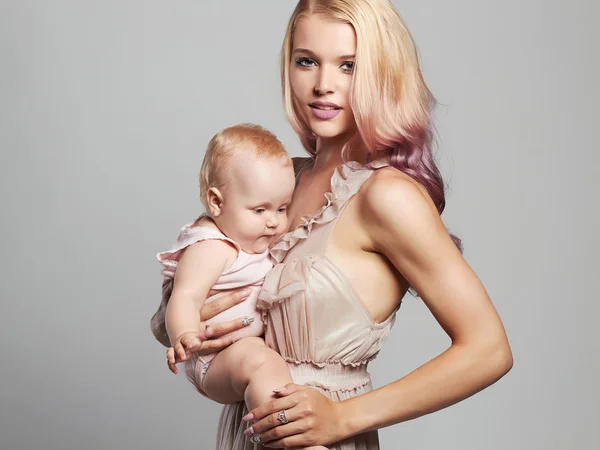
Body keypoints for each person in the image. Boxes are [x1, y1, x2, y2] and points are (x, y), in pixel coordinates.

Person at [176, 1, 513, 448]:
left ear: (381, 72)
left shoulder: (386, 195)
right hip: (248, 433)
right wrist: (179, 319)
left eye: (349, 66)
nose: (322, 86)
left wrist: (341, 417)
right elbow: (201, 273)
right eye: (306, 61)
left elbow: (489, 349)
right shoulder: (281, 183)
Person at [150, 123, 327, 450]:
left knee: (261, 359)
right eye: (260, 210)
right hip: (213, 359)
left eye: (282, 208)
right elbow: (185, 297)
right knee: (260, 362)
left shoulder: (253, 236)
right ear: (217, 202)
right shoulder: (211, 247)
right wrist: (185, 337)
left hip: (238, 352)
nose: (273, 221)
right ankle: (295, 444)